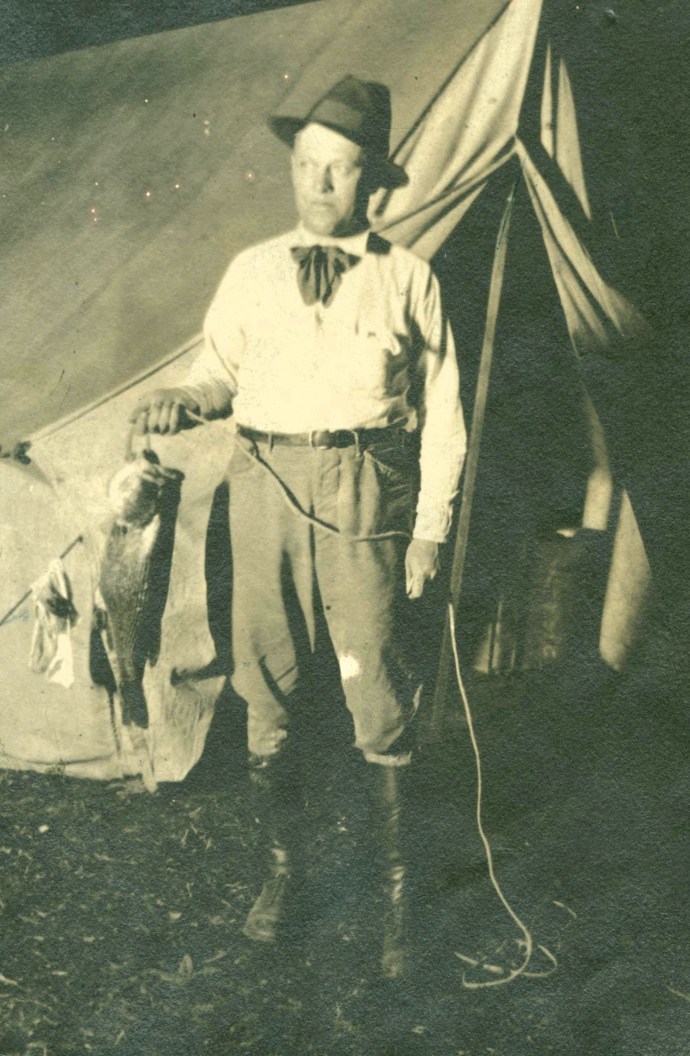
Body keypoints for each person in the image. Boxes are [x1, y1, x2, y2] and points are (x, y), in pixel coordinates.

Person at [132, 75, 466, 978]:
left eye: (340, 168)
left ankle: (398, 901)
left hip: (364, 489)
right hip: (264, 484)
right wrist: (181, 400)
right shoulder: (251, 271)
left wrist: (429, 527)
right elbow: (217, 374)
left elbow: (443, 412)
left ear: (373, 181)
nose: (318, 184)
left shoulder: (410, 279)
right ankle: (285, 877)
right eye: (307, 165)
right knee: (266, 680)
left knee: (377, 686)